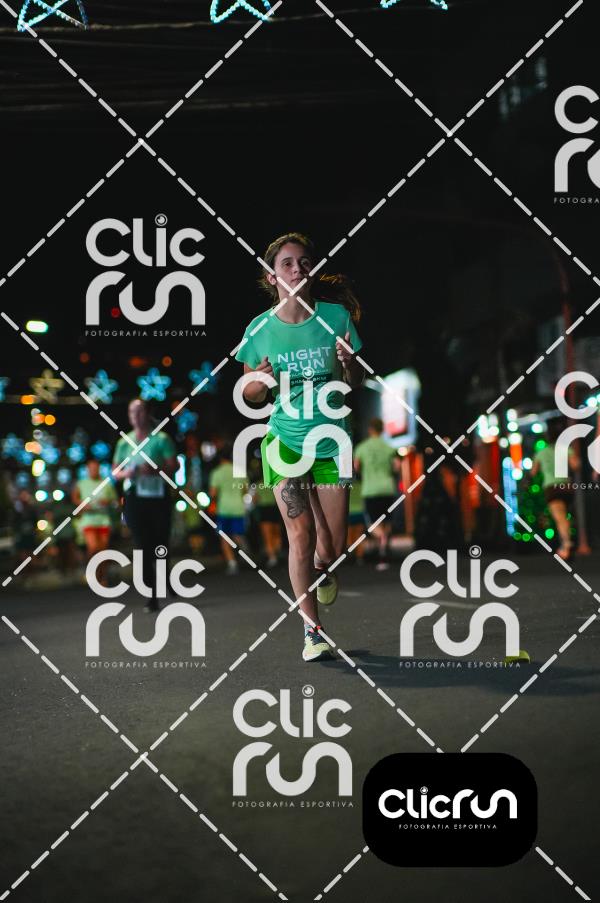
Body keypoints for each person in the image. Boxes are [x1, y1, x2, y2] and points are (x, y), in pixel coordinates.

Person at [235, 232, 364, 662]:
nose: (297, 269)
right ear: (272, 277)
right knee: (300, 534)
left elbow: (355, 382)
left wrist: (350, 366)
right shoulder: (259, 329)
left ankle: (324, 569)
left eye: (304, 261)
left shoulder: (336, 318)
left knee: (332, 550)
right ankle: (312, 631)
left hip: (331, 440)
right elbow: (249, 392)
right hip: (285, 441)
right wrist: (260, 381)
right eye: (287, 264)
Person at [112, 399, 177, 610]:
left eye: (139, 411)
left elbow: (174, 465)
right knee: (142, 544)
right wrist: (127, 473)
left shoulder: (161, 439)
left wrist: (156, 469)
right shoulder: (124, 442)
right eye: (131, 412)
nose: (135, 416)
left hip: (158, 496)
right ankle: (152, 594)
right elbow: (115, 471)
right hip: (134, 497)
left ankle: (165, 577)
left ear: (148, 413)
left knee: (160, 542)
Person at [353, 417, 399, 570]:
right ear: (382, 429)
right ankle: (383, 552)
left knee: (372, 524)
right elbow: (397, 467)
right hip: (387, 488)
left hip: (370, 489)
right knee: (386, 521)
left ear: (370, 430)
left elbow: (356, 467)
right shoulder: (389, 447)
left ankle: (382, 541)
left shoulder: (361, 448)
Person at [531, 419, 579, 560]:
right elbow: (576, 465)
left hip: (552, 487)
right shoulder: (566, 449)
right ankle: (565, 544)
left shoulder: (541, 452)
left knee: (560, 518)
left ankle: (566, 544)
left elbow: (533, 472)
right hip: (566, 487)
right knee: (565, 517)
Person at [72, 458, 118, 586]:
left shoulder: (106, 483)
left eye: (95, 468)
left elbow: (115, 501)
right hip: (88, 520)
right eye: (91, 468)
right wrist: (82, 504)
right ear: (87, 469)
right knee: (93, 548)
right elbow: (75, 497)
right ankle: (92, 572)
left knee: (103, 549)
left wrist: (107, 502)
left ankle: (102, 575)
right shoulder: (82, 483)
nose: (93, 470)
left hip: (104, 520)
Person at [209, 445, 248, 575]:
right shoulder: (240, 471)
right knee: (237, 534)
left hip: (224, 509)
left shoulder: (217, 473)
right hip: (238, 508)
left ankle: (232, 563)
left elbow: (213, 493)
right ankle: (243, 547)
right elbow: (245, 490)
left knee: (224, 537)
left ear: (220, 458)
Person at [347, 475, 366, 565]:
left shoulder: (345, 486)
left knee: (349, 535)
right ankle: (359, 556)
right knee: (358, 535)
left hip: (349, 512)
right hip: (360, 512)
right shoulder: (361, 484)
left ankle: (350, 552)